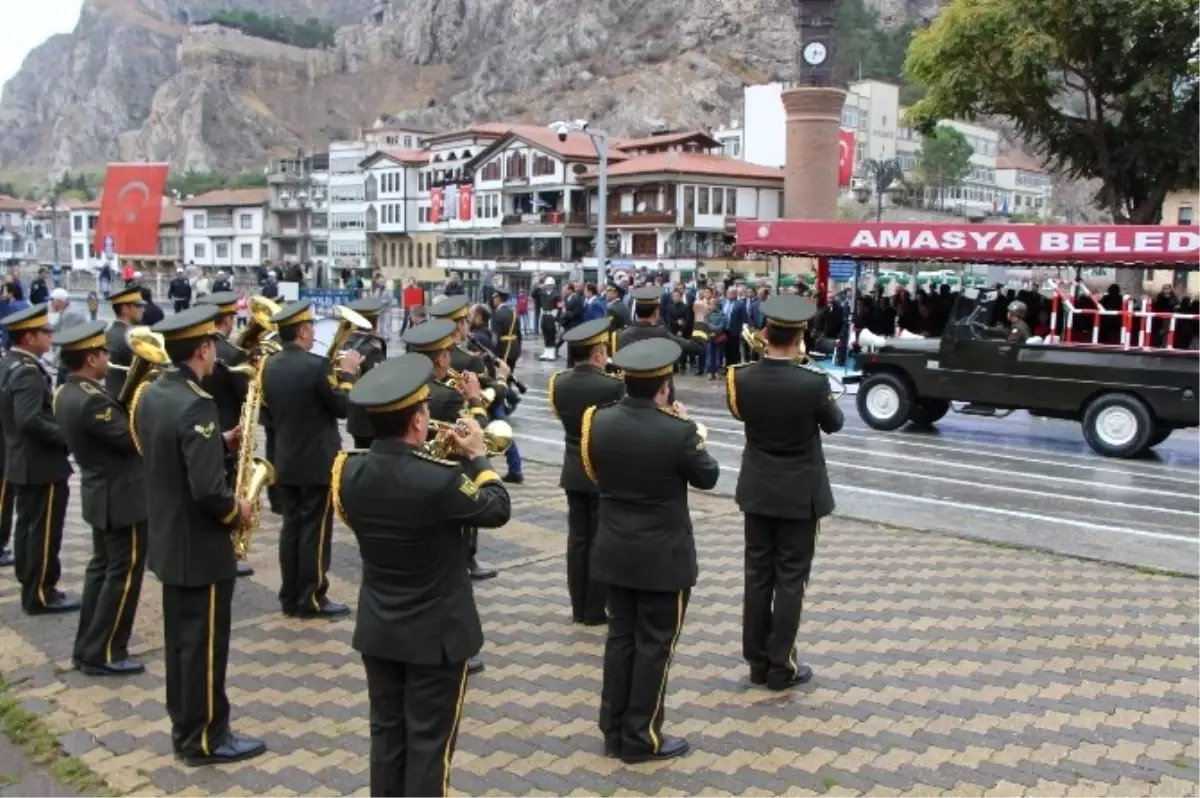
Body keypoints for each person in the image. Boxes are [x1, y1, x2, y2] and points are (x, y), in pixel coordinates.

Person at [333, 354, 511, 796]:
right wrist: (476, 457)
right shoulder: (440, 479)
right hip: (435, 636)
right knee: (430, 746)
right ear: (417, 422)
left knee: (388, 740)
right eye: (426, 413)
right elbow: (496, 508)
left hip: (380, 628)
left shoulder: (348, 470)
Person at [129, 306, 265, 766]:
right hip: (200, 548)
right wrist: (239, 509)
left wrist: (219, 442)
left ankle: (186, 727)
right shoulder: (197, 404)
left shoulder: (153, 393)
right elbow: (209, 492)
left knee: (183, 646)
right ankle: (206, 738)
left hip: (169, 539)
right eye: (212, 350)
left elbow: (164, 452)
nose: (215, 359)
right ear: (203, 349)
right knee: (205, 649)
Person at [584, 338, 720, 763]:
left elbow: (594, 471)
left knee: (621, 639)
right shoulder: (678, 432)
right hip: (663, 557)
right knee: (654, 645)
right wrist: (689, 427)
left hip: (614, 550)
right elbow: (708, 476)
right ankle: (642, 737)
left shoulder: (598, 421)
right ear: (665, 386)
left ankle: (613, 730)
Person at [724, 295, 842, 691]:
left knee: (757, 576)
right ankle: (781, 664)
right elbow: (835, 423)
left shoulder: (739, 377)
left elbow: (742, 414)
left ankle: (756, 662)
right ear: (800, 335)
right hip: (799, 494)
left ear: (764, 333)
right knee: (791, 579)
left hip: (757, 488)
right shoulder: (812, 381)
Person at [53, 320, 148, 676]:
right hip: (123, 496)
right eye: (103, 353)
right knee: (122, 576)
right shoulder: (94, 403)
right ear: (91, 359)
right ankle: (106, 651)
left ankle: (88, 647)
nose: (109, 358)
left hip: (100, 495)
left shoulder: (67, 392)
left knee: (100, 572)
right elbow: (132, 440)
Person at [261, 299, 362, 618]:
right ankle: (312, 596)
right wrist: (346, 375)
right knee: (315, 531)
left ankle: (289, 594)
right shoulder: (316, 366)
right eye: (311, 330)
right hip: (316, 461)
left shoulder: (270, 365)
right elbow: (342, 407)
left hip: (285, 457)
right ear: (302, 330)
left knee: (291, 528)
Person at [402, 319, 492, 676]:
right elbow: (477, 432)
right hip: (445, 484)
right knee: (450, 577)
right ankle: (455, 650)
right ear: (439, 358)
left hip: (410, 483)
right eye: (445, 353)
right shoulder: (447, 395)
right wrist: (473, 397)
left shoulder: (407, 389)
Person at [0, 304, 77, 614]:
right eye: (45, 331)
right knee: (43, 533)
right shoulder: (28, 372)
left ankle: (30, 583)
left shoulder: (9, 364)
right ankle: (41, 593)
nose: (50, 335)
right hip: (40, 464)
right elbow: (30, 419)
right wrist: (67, 436)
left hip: (21, 460)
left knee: (27, 529)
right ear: (30, 337)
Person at [547, 317, 624, 625]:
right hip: (602, 472)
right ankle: (594, 609)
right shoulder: (614, 386)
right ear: (597, 354)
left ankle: (578, 607)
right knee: (599, 540)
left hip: (572, 471)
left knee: (577, 540)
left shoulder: (558, 382)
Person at [427, 295, 503, 579]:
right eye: (463, 322)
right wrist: (496, 385)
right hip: (457, 452)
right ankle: (466, 560)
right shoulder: (468, 359)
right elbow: (480, 417)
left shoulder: (414, 359)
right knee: (467, 502)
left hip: (427, 453)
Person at [195, 292, 254, 579]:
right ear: (228, 320)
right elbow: (245, 395)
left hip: (205, 428)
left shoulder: (197, 348)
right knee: (226, 492)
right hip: (230, 428)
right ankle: (228, 552)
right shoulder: (233, 354)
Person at [617, 285, 702, 401]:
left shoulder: (622, 335)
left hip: (631, 395)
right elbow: (697, 347)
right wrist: (700, 317)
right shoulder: (661, 334)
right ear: (656, 313)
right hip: (660, 395)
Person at [343, 297, 389, 449]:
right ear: (374, 322)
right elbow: (379, 385)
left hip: (355, 418)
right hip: (370, 421)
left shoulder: (345, 343)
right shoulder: (373, 350)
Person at [104, 286, 146, 398]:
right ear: (125, 309)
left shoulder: (109, 333)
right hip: (129, 399)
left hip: (112, 394)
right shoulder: (131, 339)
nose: (143, 310)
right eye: (138, 306)